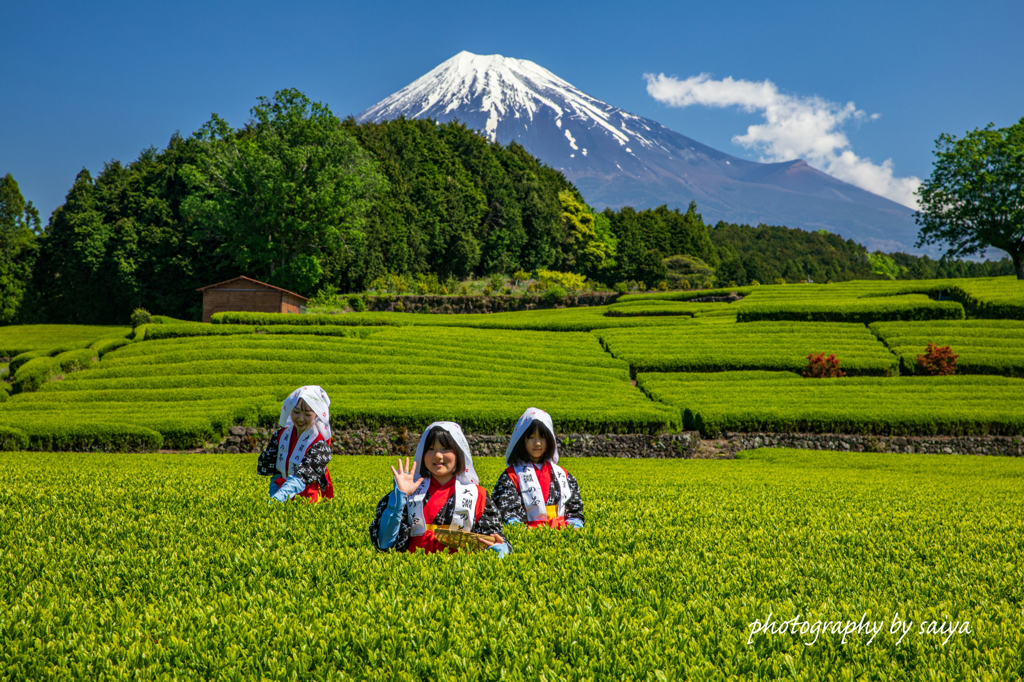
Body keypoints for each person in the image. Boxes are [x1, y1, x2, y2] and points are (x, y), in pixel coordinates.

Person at [370, 421, 510, 556]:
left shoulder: (479, 496)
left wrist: (500, 547)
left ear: (459, 453)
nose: (437, 455)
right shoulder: (408, 492)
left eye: (445, 449)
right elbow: (384, 544)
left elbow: (493, 539)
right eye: (430, 449)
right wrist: (399, 498)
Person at [491, 407, 585, 529]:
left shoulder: (563, 474)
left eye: (542, 437)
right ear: (521, 440)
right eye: (531, 437)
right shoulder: (511, 476)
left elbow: (574, 509)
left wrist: (574, 525)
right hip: (526, 533)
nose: (537, 443)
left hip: (562, 531)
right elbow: (507, 511)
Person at [256, 385, 334, 503]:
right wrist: (275, 489)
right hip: (280, 491)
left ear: (316, 415)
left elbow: (302, 477)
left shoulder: (319, 443)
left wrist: (278, 498)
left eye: (307, 414)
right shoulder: (281, 435)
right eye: (296, 412)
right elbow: (275, 470)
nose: (300, 419)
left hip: (307, 500)